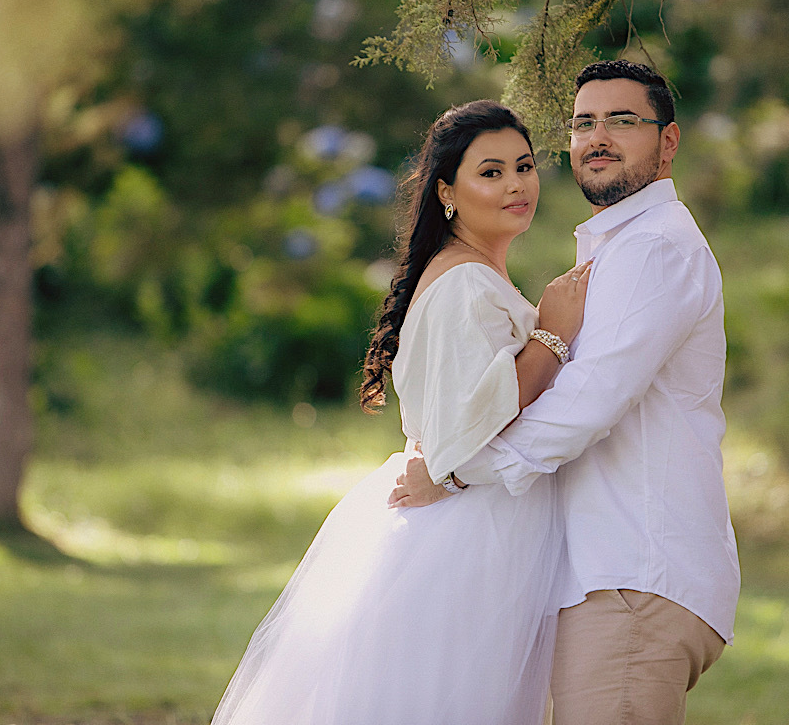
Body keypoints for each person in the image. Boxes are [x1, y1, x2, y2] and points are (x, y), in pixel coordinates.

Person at [211, 100, 592, 725]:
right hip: (467, 529)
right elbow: (470, 423)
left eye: (524, 167)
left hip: (484, 517)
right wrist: (552, 337)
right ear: (448, 191)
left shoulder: (475, 275)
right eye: (490, 172)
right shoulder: (464, 284)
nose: (517, 184)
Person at [391, 60, 741, 725]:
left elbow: (585, 406)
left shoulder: (656, 249)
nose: (598, 135)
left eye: (623, 121)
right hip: (603, 580)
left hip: (635, 575)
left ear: (668, 142)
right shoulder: (615, 248)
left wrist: (457, 473)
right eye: (585, 122)